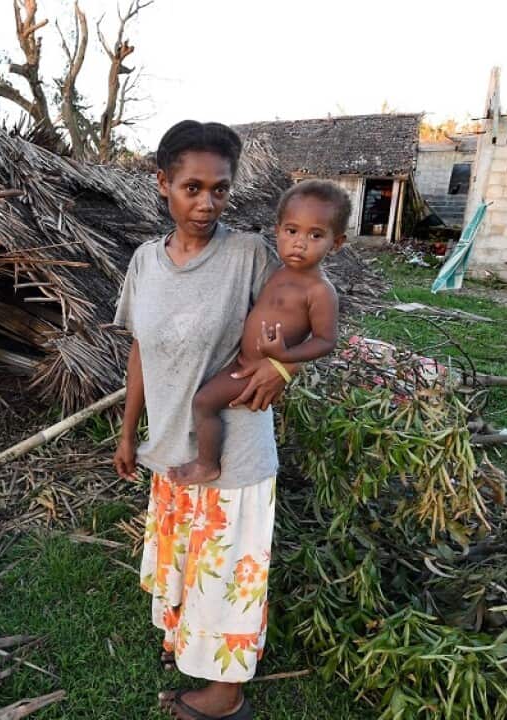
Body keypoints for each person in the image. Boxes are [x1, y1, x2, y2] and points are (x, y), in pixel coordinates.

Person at [113, 120, 294, 720]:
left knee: (225, 579)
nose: (206, 202)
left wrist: (284, 369)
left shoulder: (247, 256)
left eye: (219, 189)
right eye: (192, 187)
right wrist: (128, 431)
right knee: (187, 565)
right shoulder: (144, 262)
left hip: (234, 454)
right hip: (169, 448)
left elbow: (298, 315)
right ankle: (184, 645)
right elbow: (140, 348)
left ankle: (224, 696)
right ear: (163, 184)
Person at [170, 180, 348, 485]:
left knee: (203, 402)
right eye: (292, 231)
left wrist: (285, 359)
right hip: (240, 360)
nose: (300, 243)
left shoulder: (319, 291)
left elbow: (326, 340)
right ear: (277, 230)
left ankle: (207, 464)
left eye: (315, 235)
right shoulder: (277, 270)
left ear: (336, 243)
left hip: (252, 371)